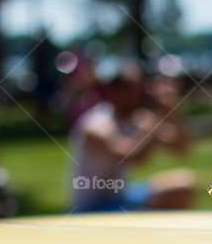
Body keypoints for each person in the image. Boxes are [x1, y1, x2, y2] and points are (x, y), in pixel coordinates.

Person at [69, 63, 194, 212]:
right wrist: (158, 116)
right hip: (92, 210)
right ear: (114, 92)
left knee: (184, 184)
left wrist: (174, 111)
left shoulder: (138, 120)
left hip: (120, 198)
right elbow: (131, 156)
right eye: (133, 89)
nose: (140, 95)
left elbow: (181, 149)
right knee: (154, 207)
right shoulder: (96, 124)